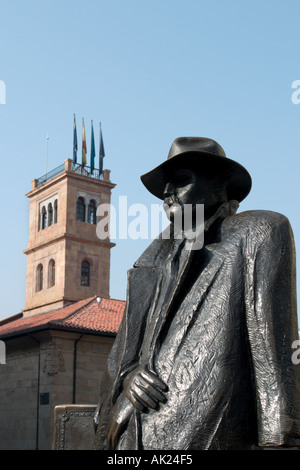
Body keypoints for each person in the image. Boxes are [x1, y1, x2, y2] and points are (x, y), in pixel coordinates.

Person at [94, 137, 300, 450]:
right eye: (166, 185)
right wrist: (129, 379)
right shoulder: (148, 266)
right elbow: (122, 358)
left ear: (220, 185)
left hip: (201, 435)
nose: (166, 194)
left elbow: (275, 357)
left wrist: (282, 440)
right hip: (132, 437)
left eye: (180, 181)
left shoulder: (257, 233)